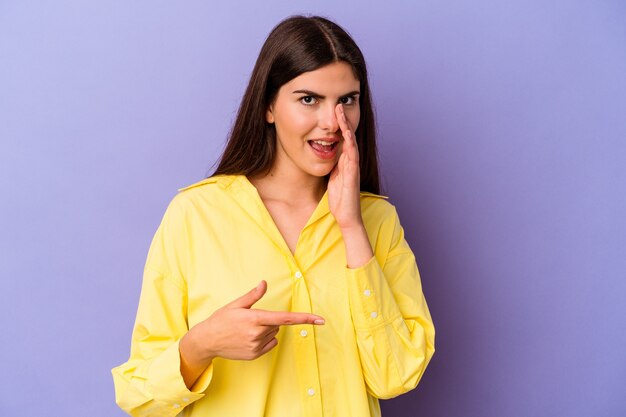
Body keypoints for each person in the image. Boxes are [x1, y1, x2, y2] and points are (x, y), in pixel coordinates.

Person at [112, 14, 435, 417]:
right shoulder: (195, 216)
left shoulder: (378, 221)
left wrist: (352, 227)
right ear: (268, 105)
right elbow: (139, 396)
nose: (332, 123)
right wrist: (201, 346)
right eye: (308, 99)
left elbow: (397, 376)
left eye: (346, 100)